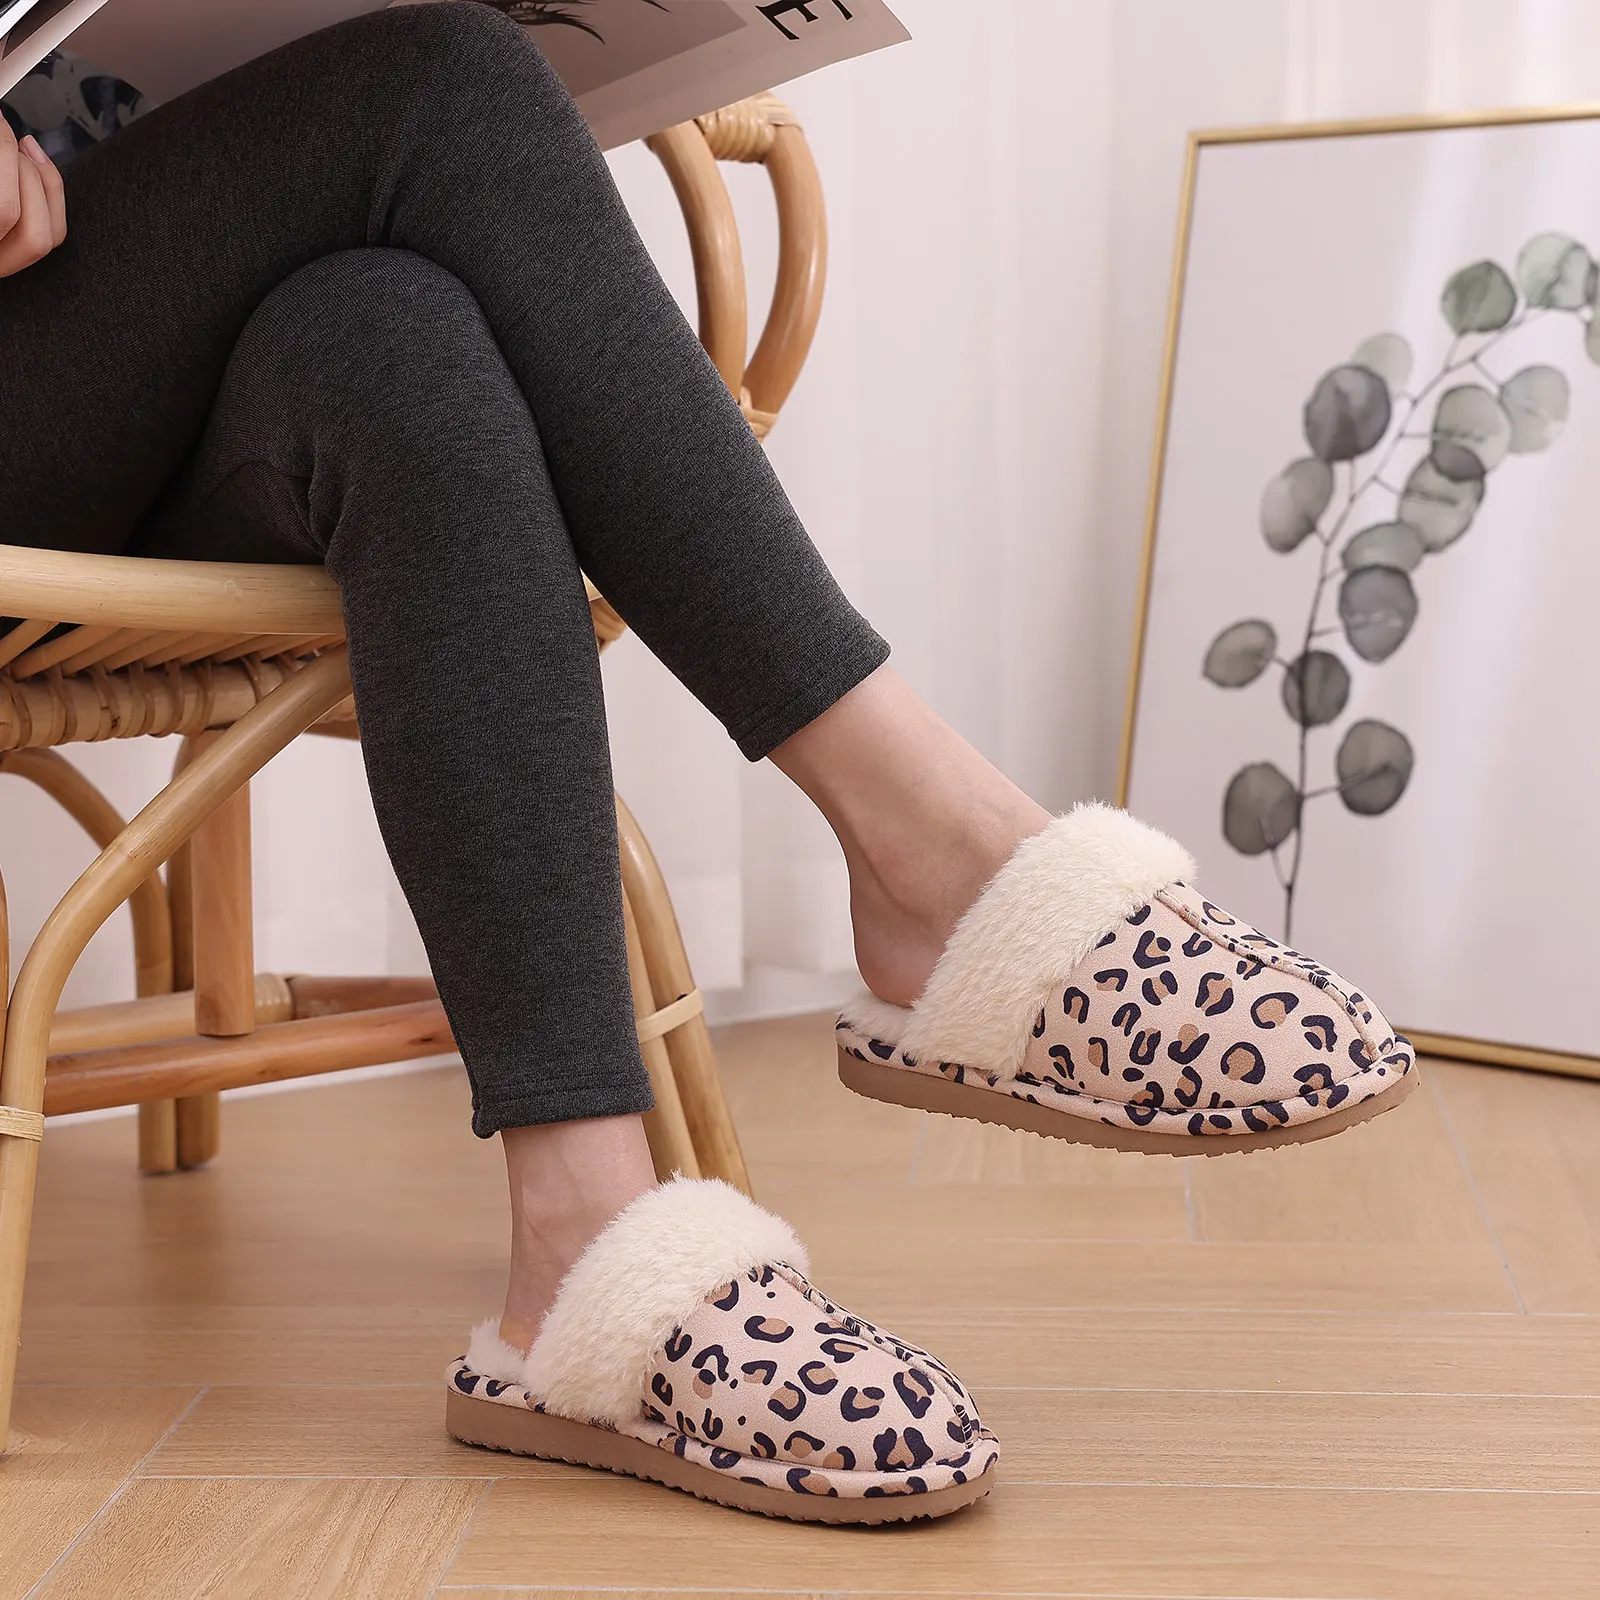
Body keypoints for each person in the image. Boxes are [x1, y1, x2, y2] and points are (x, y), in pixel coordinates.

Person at [0, 3, 1415, 1523]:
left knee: (394, 343)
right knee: (441, 80)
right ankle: (937, 855)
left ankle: (582, 1255)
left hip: (125, 330)